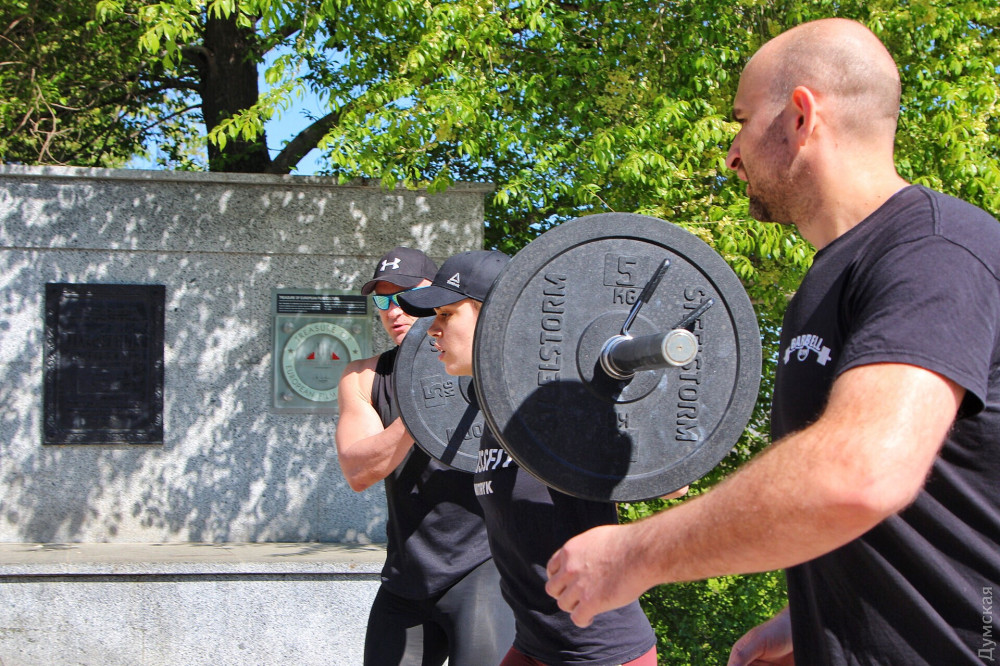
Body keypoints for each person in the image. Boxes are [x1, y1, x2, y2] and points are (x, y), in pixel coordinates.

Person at [543, 17, 1000, 665]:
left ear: (801, 116)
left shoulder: (935, 252)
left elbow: (860, 474)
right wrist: (804, 616)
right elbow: (920, 500)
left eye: (741, 120)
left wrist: (635, 553)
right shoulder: (832, 275)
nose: (731, 153)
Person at [399, 250, 660, 666]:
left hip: (597, 651)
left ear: (494, 316)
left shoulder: (553, 404)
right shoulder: (497, 408)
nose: (433, 329)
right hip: (536, 643)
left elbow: (668, 477)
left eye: (447, 314)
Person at [336, 246, 514, 666]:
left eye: (406, 296)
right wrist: (424, 405)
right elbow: (358, 472)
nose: (394, 310)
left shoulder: (492, 369)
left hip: (483, 568)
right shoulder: (363, 378)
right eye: (383, 301)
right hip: (407, 577)